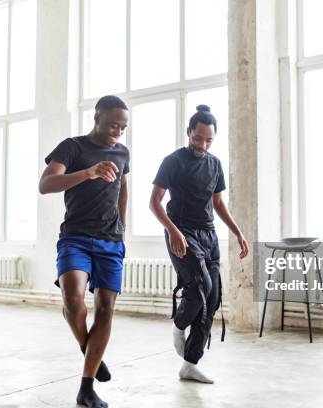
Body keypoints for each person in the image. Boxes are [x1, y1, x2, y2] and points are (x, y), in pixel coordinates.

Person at [39, 95, 130, 408]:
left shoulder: (122, 152)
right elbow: (46, 184)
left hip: (110, 241)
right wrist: (89, 172)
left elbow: (123, 186)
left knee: (106, 308)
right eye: (112, 124)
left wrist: (122, 223)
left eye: (123, 126)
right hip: (75, 237)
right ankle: (87, 347)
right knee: (73, 297)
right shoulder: (72, 147)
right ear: (97, 118)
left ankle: (87, 387)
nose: (117, 130)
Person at [149, 104, 249, 384]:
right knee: (198, 287)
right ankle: (179, 324)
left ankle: (190, 364)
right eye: (197, 138)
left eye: (208, 140)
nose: (202, 144)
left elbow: (217, 202)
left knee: (213, 298)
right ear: (188, 132)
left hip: (208, 235)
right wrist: (173, 231)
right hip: (180, 231)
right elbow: (154, 202)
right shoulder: (173, 161)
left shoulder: (214, 164)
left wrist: (237, 231)